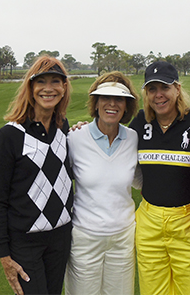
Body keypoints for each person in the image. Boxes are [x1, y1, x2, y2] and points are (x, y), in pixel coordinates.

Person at [0, 56, 73, 295]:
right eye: (41, 82)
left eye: (55, 81)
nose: (48, 88)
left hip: (61, 238)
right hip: (26, 242)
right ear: (31, 88)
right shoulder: (11, 135)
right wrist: (4, 255)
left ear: (64, 87)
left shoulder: (64, 127)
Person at [129, 61, 190, 295]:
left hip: (188, 221)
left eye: (164, 87)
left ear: (177, 88)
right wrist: (82, 128)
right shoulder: (140, 122)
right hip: (148, 220)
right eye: (152, 89)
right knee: (152, 289)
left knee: (187, 289)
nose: (158, 95)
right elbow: (115, 149)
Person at [65, 71, 142, 295]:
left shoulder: (133, 139)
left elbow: (141, 180)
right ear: (95, 103)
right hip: (85, 237)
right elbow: (54, 177)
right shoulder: (75, 138)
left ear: (127, 105)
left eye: (119, 99)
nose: (112, 104)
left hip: (123, 238)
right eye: (105, 98)